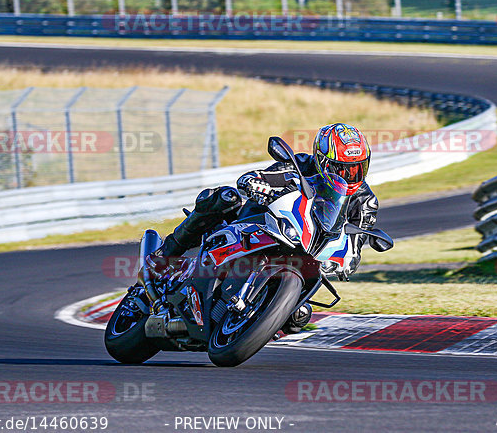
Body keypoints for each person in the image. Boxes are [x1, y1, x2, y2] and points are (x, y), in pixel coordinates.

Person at [145, 123, 378, 333]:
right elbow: (263, 176)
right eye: (341, 168)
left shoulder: (366, 201)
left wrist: (345, 263)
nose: (349, 175)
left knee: (298, 317)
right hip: (267, 223)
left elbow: (355, 247)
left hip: (309, 249)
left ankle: (253, 319)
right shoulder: (301, 164)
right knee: (225, 198)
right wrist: (256, 182)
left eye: (357, 168)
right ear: (321, 160)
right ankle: (166, 253)